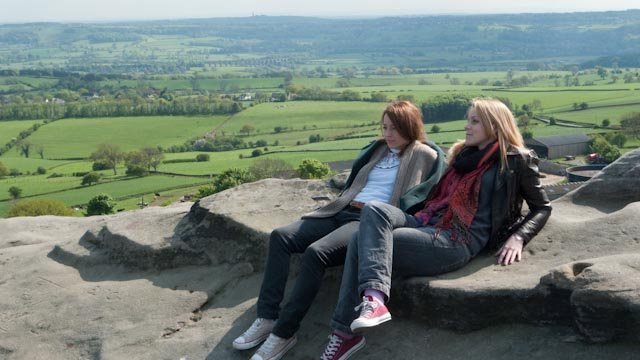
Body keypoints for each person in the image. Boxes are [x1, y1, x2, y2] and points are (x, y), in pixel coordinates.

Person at [320, 97, 552, 360]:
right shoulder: (462, 155)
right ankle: (373, 303)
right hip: (427, 222)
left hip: (457, 239)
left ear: (494, 124)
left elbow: (542, 207)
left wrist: (519, 237)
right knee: (374, 209)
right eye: (468, 120)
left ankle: (347, 333)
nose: (467, 126)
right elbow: (434, 197)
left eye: (474, 121)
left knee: (361, 239)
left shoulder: (516, 161)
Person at [232, 101, 446, 360]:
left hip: (368, 220)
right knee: (281, 236)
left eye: (395, 128)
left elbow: (423, 196)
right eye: (385, 127)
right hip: (341, 209)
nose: (388, 134)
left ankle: (284, 332)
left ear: (410, 127)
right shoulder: (378, 150)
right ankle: (267, 317)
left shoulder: (424, 154)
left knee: (316, 253)